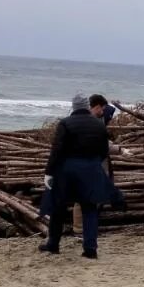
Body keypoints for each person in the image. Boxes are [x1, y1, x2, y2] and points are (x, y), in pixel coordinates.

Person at [40, 93, 118, 260]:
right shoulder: (99, 126)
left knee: (58, 208)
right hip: (91, 169)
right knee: (89, 208)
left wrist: (49, 173)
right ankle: (90, 248)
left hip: (67, 171)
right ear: (86, 106)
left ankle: (53, 244)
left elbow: (57, 150)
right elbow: (104, 151)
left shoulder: (66, 123)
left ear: (74, 106)